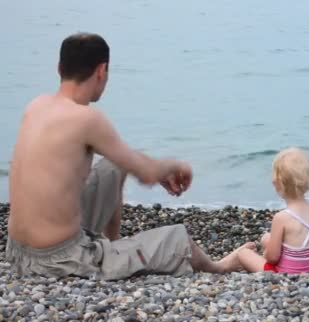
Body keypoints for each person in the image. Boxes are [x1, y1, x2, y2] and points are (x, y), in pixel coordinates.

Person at [6, 32, 252, 280]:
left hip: (18, 254)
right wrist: (176, 165)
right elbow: (145, 174)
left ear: (59, 67)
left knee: (114, 165)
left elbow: (125, 159)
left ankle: (114, 246)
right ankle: (219, 266)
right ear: (102, 71)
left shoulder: (36, 105)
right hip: (61, 260)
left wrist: (156, 169)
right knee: (178, 239)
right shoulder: (88, 119)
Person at [236, 148, 309, 276]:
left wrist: (265, 254)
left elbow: (273, 258)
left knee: (243, 253)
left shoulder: (282, 218)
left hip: (285, 274)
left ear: (277, 183)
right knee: (266, 238)